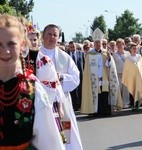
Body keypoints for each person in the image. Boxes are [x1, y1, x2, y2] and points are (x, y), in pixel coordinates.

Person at [0, 14, 65, 150]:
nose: (5, 51)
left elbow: (48, 142)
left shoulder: (32, 89)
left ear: (22, 45)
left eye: (11, 44)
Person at [40, 24, 83, 150]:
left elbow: (76, 78)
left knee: (66, 134)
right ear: (43, 36)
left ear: (58, 38)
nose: (52, 37)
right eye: (49, 34)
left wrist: (62, 77)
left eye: (55, 35)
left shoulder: (65, 57)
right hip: (41, 102)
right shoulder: (35, 55)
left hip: (62, 102)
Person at [81, 28, 122, 117]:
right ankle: (96, 112)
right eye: (96, 43)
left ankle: (106, 111)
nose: (98, 44)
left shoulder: (106, 53)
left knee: (105, 94)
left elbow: (111, 66)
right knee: (96, 95)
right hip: (93, 79)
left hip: (105, 78)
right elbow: (87, 69)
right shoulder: (89, 54)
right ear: (94, 44)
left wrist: (109, 59)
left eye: (99, 43)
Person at [122, 42, 142, 111]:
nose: (135, 50)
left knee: (138, 90)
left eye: (136, 48)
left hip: (139, 77)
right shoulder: (128, 58)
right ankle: (132, 105)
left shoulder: (139, 56)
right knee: (132, 90)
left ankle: (137, 105)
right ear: (130, 49)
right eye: (133, 48)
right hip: (131, 77)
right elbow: (126, 68)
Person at [113, 38, 130, 108]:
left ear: (124, 45)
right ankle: (118, 103)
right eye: (118, 45)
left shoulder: (128, 53)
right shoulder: (114, 54)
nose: (120, 46)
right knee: (118, 88)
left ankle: (126, 103)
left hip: (126, 73)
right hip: (118, 73)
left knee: (126, 89)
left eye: (121, 44)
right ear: (116, 45)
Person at [67, 41, 85, 111]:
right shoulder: (66, 55)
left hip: (80, 75)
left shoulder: (81, 54)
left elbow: (84, 64)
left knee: (80, 90)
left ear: (76, 46)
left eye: (73, 47)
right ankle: (74, 105)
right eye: (71, 47)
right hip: (71, 75)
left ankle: (80, 105)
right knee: (73, 90)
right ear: (69, 47)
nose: (72, 48)